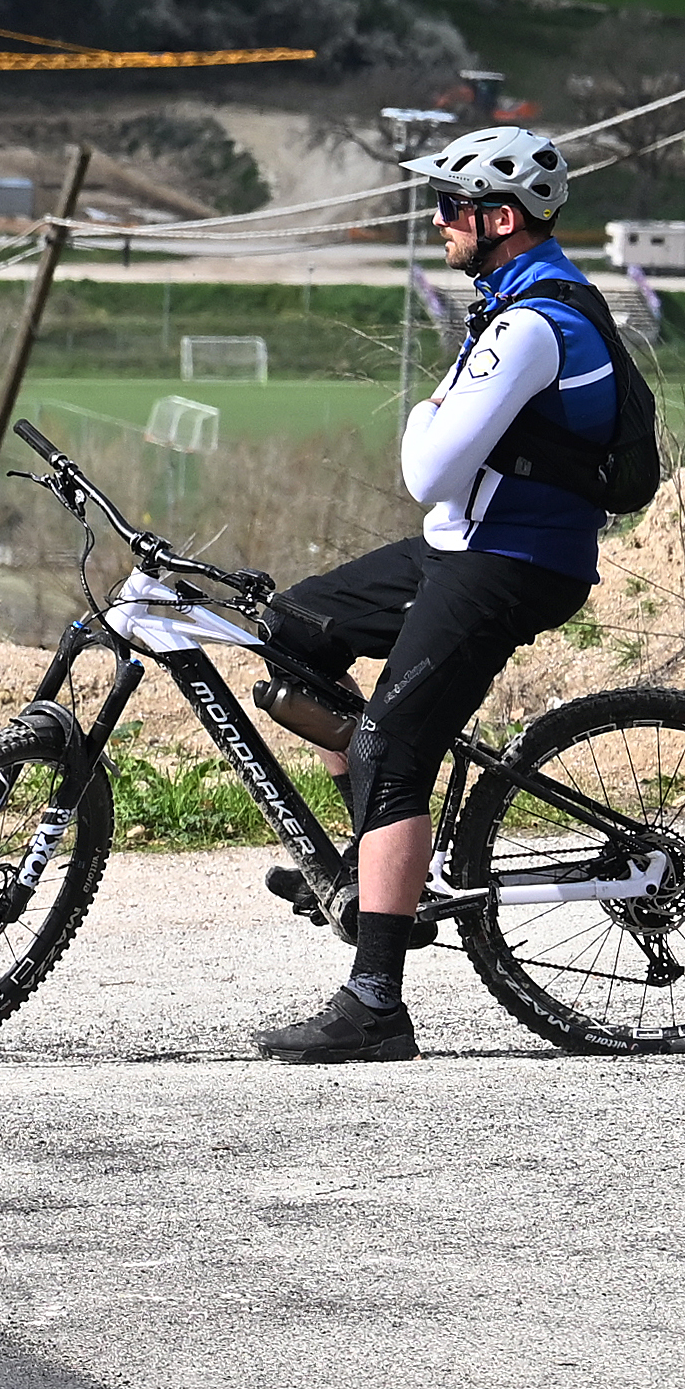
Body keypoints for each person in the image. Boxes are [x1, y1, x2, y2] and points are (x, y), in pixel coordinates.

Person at [254, 125, 642, 1062]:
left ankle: (375, 1004)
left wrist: (429, 416)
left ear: (498, 217)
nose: (436, 223)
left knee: (390, 741)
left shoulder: (528, 325)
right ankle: (380, 856)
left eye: (450, 208)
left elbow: (425, 463)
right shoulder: (510, 297)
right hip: (459, 546)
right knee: (292, 631)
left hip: (510, 564)